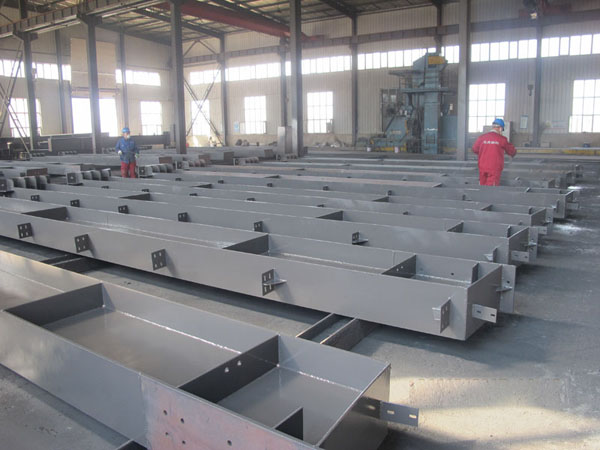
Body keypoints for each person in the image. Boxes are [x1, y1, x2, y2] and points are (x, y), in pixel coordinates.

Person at [472, 118, 517, 186]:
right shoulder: (502, 139)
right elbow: (512, 151)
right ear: (500, 128)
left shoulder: (481, 138)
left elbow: (474, 149)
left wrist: (484, 152)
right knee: (492, 189)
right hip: (494, 168)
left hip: (482, 167)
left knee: (482, 187)